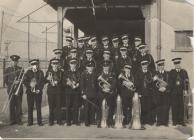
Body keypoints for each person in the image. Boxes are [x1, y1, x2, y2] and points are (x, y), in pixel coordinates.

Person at [23, 59, 44, 126]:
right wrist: (30, 85)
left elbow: (42, 83)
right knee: (30, 107)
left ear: (37, 65)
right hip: (30, 92)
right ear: (31, 65)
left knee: (38, 107)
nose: (34, 66)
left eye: (36, 64)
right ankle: (30, 122)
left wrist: (39, 90)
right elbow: (25, 81)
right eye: (33, 65)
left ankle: (39, 122)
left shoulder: (41, 72)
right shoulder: (28, 72)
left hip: (38, 92)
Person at [169, 58, 189, 126]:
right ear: (174, 64)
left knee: (181, 106)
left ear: (180, 64)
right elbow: (170, 82)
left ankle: (181, 121)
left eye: (178, 63)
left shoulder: (184, 72)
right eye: (175, 64)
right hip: (174, 92)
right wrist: (171, 91)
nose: (177, 65)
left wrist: (186, 90)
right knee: (174, 106)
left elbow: (186, 82)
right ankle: (175, 121)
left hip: (181, 92)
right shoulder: (171, 72)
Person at [4, 55, 23, 125]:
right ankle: (12, 120)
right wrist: (13, 82)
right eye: (13, 61)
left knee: (18, 105)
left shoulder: (21, 69)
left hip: (19, 89)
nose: (14, 63)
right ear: (11, 61)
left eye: (16, 61)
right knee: (11, 104)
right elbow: (5, 81)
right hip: (11, 90)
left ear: (17, 62)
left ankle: (18, 120)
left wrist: (20, 81)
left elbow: (23, 78)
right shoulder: (7, 70)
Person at [135, 60, 155, 126]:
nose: (145, 66)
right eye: (143, 65)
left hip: (149, 93)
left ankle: (149, 121)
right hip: (142, 93)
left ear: (147, 66)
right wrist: (139, 93)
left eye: (146, 65)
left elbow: (151, 83)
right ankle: (143, 121)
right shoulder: (138, 73)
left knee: (149, 107)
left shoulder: (150, 73)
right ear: (141, 66)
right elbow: (137, 84)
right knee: (143, 107)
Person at [97, 62, 117, 128]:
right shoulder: (100, 74)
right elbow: (98, 84)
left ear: (109, 68)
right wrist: (103, 89)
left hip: (109, 93)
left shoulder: (112, 74)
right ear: (103, 68)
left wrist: (109, 89)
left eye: (107, 67)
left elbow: (114, 83)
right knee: (100, 108)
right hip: (102, 93)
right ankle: (100, 122)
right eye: (105, 67)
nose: (106, 68)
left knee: (110, 108)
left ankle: (109, 122)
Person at [45, 58, 63, 126]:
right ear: (51, 65)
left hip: (58, 91)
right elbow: (45, 81)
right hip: (51, 92)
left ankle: (59, 121)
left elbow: (62, 81)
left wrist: (57, 82)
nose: (55, 65)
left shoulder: (60, 72)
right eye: (53, 64)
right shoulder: (48, 72)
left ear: (58, 65)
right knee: (51, 107)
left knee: (59, 107)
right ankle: (51, 121)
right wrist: (47, 79)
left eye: (56, 64)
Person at [63, 59, 81, 126]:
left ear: (76, 65)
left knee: (76, 107)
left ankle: (75, 121)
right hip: (68, 92)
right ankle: (68, 121)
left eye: (74, 64)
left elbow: (80, 80)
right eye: (72, 64)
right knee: (68, 107)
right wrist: (67, 83)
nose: (73, 65)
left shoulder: (78, 72)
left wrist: (78, 84)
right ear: (70, 64)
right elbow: (63, 82)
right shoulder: (66, 72)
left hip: (76, 92)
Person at [80, 61, 98, 126]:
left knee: (93, 108)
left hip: (94, 94)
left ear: (93, 68)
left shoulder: (95, 74)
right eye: (89, 67)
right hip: (86, 94)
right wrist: (83, 94)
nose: (90, 68)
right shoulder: (83, 74)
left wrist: (97, 94)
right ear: (86, 67)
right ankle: (86, 122)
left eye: (92, 67)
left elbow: (97, 85)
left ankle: (92, 121)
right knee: (87, 108)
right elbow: (82, 85)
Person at [154, 59, 170, 126]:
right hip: (158, 93)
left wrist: (165, 88)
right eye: (159, 65)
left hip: (166, 93)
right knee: (159, 107)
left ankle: (165, 122)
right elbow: (153, 84)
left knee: (166, 107)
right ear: (158, 66)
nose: (161, 66)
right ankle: (159, 122)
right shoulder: (155, 74)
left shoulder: (167, 74)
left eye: (162, 65)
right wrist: (159, 89)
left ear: (164, 65)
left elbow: (170, 83)